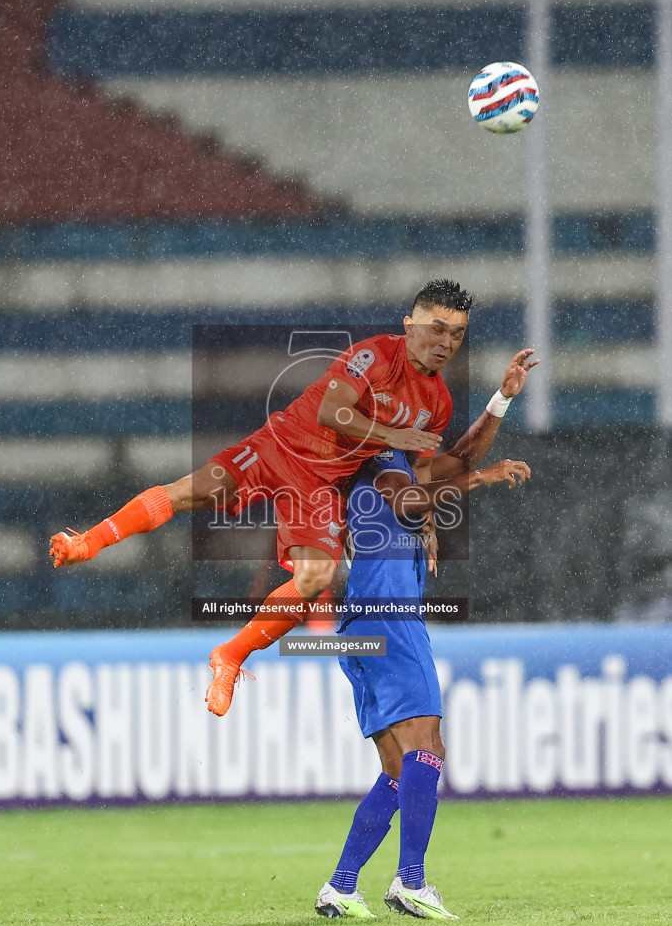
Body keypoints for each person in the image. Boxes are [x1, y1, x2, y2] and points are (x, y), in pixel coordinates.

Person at [48, 279, 536, 716]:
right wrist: (396, 436)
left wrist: (500, 404)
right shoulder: (373, 355)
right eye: (437, 328)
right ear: (410, 325)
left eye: (457, 334)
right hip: (278, 447)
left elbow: (426, 472)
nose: (446, 342)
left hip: (320, 486)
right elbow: (331, 412)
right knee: (190, 493)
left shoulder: (437, 401)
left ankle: (230, 656)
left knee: (315, 578)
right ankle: (85, 543)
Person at [315, 443, 532, 922]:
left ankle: (341, 886)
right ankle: (411, 881)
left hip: (358, 624)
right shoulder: (385, 459)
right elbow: (420, 488)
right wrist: (482, 478)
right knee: (428, 744)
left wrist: (502, 399)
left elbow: (455, 457)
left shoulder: (382, 465)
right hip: (390, 619)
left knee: (398, 769)